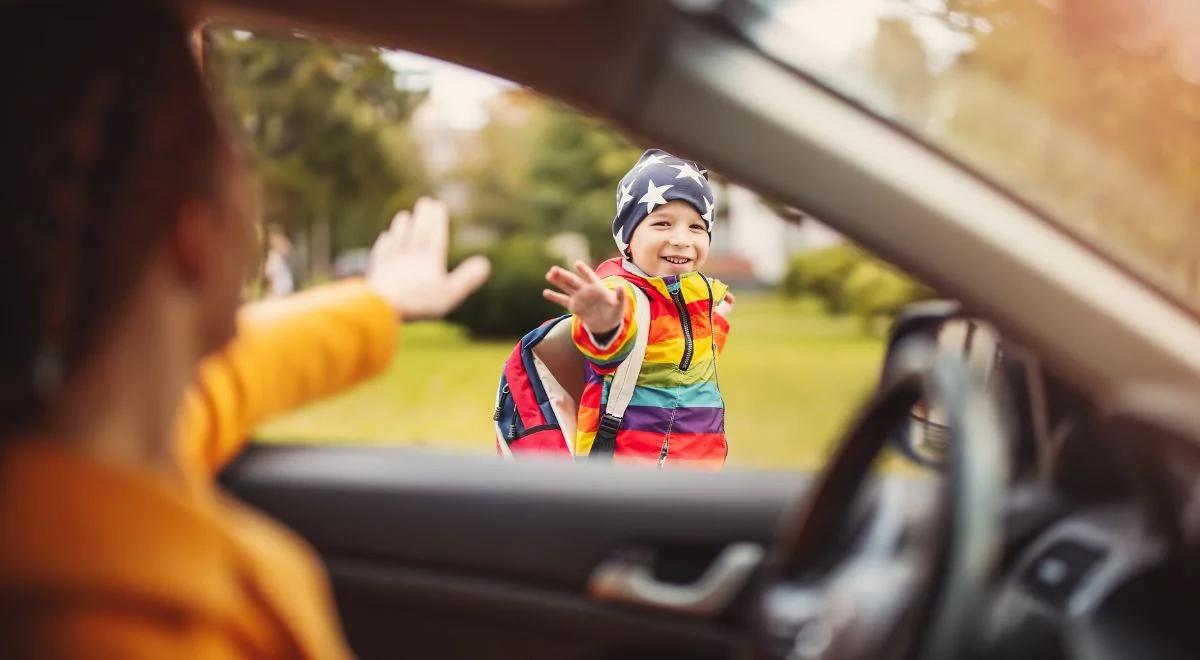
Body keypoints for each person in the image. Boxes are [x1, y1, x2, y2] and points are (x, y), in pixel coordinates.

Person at [0, 2, 490, 657]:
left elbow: (232, 374)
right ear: (194, 231)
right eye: (223, 131)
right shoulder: (154, 633)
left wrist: (380, 301)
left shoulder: (80, 457)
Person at [542, 149, 733, 468]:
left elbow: (691, 359)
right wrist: (603, 325)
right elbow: (607, 352)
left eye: (696, 227)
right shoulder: (620, 293)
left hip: (699, 464)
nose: (681, 239)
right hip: (630, 468)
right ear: (628, 238)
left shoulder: (697, 290)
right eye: (662, 223)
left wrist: (717, 322)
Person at [263, 224, 295, 298]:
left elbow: (288, 248)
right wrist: (270, 293)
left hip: (285, 292)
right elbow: (269, 278)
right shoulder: (272, 258)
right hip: (278, 294)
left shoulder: (281, 257)